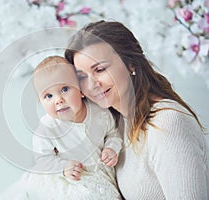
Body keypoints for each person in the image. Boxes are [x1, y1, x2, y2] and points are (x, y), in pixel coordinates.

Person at [64, 20, 209, 199]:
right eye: (82, 77)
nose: (92, 84)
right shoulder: (118, 124)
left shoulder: (167, 124)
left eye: (100, 69)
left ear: (131, 64)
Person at [0, 56, 123, 200]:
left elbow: (113, 133)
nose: (58, 100)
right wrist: (63, 167)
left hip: (101, 171)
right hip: (74, 176)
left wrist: (111, 148)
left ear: (81, 90)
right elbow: (43, 159)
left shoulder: (100, 113)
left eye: (64, 89)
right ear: (41, 102)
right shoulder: (47, 129)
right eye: (48, 96)